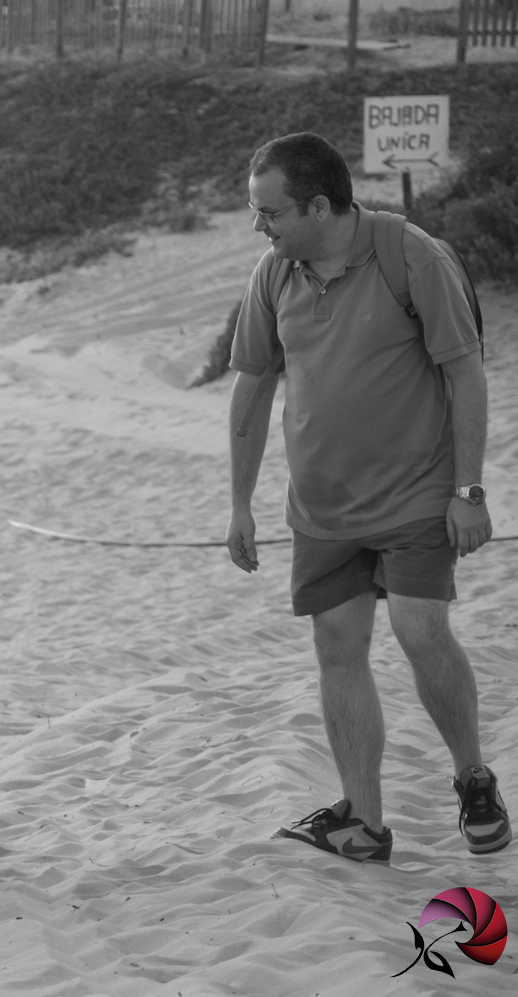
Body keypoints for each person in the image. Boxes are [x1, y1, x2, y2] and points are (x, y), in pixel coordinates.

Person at [226, 132, 507, 863]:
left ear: (319, 205)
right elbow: (253, 387)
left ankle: (473, 776)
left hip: (418, 498)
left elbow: (465, 373)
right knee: (336, 647)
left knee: (420, 631)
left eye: (270, 212)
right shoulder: (272, 274)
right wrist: (240, 502)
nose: (260, 226)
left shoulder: (410, 255)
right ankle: (364, 820)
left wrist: (469, 490)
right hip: (321, 509)